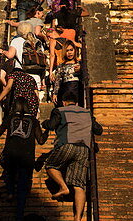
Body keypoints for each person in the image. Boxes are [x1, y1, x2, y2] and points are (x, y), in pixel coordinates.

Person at [41, 85, 103, 220]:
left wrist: (44, 123)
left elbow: (51, 125)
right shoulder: (86, 113)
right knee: (79, 185)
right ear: (77, 103)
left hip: (67, 145)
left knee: (51, 166)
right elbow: (98, 130)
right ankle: (78, 218)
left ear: (64, 102)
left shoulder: (60, 110)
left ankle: (63, 187)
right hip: (84, 150)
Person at [0, 94, 45, 221]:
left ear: (15, 106)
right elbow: (41, 141)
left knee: (10, 172)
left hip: (11, 154)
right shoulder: (34, 121)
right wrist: (47, 131)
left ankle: (9, 191)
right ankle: (19, 214)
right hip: (27, 156)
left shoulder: (10, 118)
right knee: (23, 185)